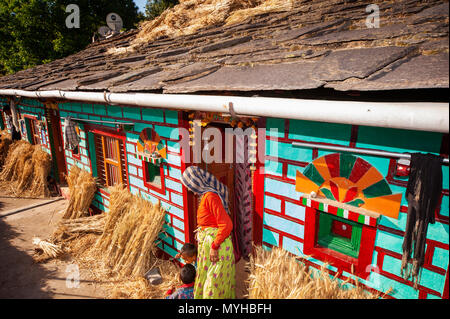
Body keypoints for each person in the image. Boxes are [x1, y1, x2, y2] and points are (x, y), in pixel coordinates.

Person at [181, 166, 235, 299]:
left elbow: (227, 225)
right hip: (211, 246)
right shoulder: (205, 196)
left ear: (195, 182)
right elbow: (209, 221)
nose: (188, 188)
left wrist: (214, 246)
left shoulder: (211, 197)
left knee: (213, 286)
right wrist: (202, 231)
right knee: (208, 281)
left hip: (218, 250)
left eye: (188, 185)